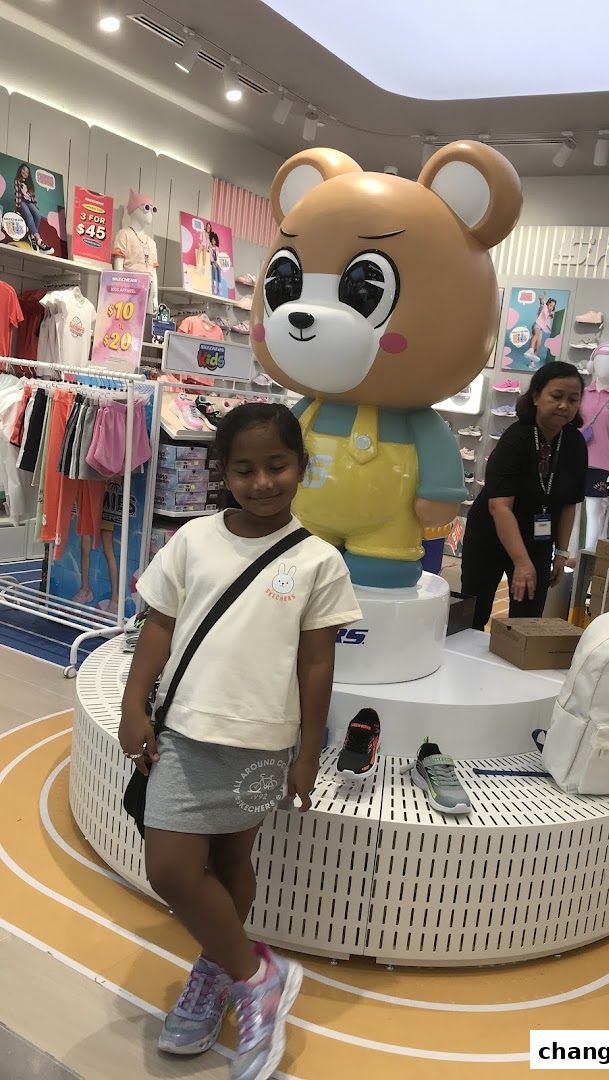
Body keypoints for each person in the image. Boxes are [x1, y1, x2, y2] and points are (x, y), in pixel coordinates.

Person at [118, 403, 361, 1074]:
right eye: (245, 470)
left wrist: (309, 754)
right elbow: (158, 627)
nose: (261, 483)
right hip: (184, 734)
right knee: (171, 868)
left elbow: (317, 663)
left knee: (230, 866)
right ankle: (256, 974)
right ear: (222, 472)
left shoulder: (319, 562)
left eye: (276, 466)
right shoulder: (193, 540)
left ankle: (214, 973)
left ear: (301, 468)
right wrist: (133, 705)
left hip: (262, 745)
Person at [461, 361, 587, 629]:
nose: (564, 405)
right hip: (490, 537)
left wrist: (562, 552)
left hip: (537, 539)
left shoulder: (574, 443)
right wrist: (521, 562)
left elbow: (569, 503)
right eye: (556, 396)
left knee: (527, 621)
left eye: (573, 399)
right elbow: (499, 507)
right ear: (536, 396)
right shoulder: (515, 440)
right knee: (473, 615)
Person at [13, 163, 54, 254]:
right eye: (23, 170)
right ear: (20, 170)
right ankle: (38, 239)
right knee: (29, 215)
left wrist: (35, 205)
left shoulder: (30, 184)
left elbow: (32, 197)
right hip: (21, 201)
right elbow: (18, 195)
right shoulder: (17, 181)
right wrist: (18, 206)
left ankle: (31, 235)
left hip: (29, 202)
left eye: (27, 172)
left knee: (37, 215)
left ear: (28, 174)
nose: (25, 172)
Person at [525, 294, 557, 360]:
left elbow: (549, 320)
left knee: (538, 344)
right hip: (537, 325)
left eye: (553, 307)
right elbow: (542, 303)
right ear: (547, 304)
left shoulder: (549, 314)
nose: (551, 307)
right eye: (550, 305)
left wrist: (551, 315)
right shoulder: (543, 308)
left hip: (541, 329)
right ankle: (530, 350)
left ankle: (532, 361)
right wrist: (541, 299)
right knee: (536, 335)